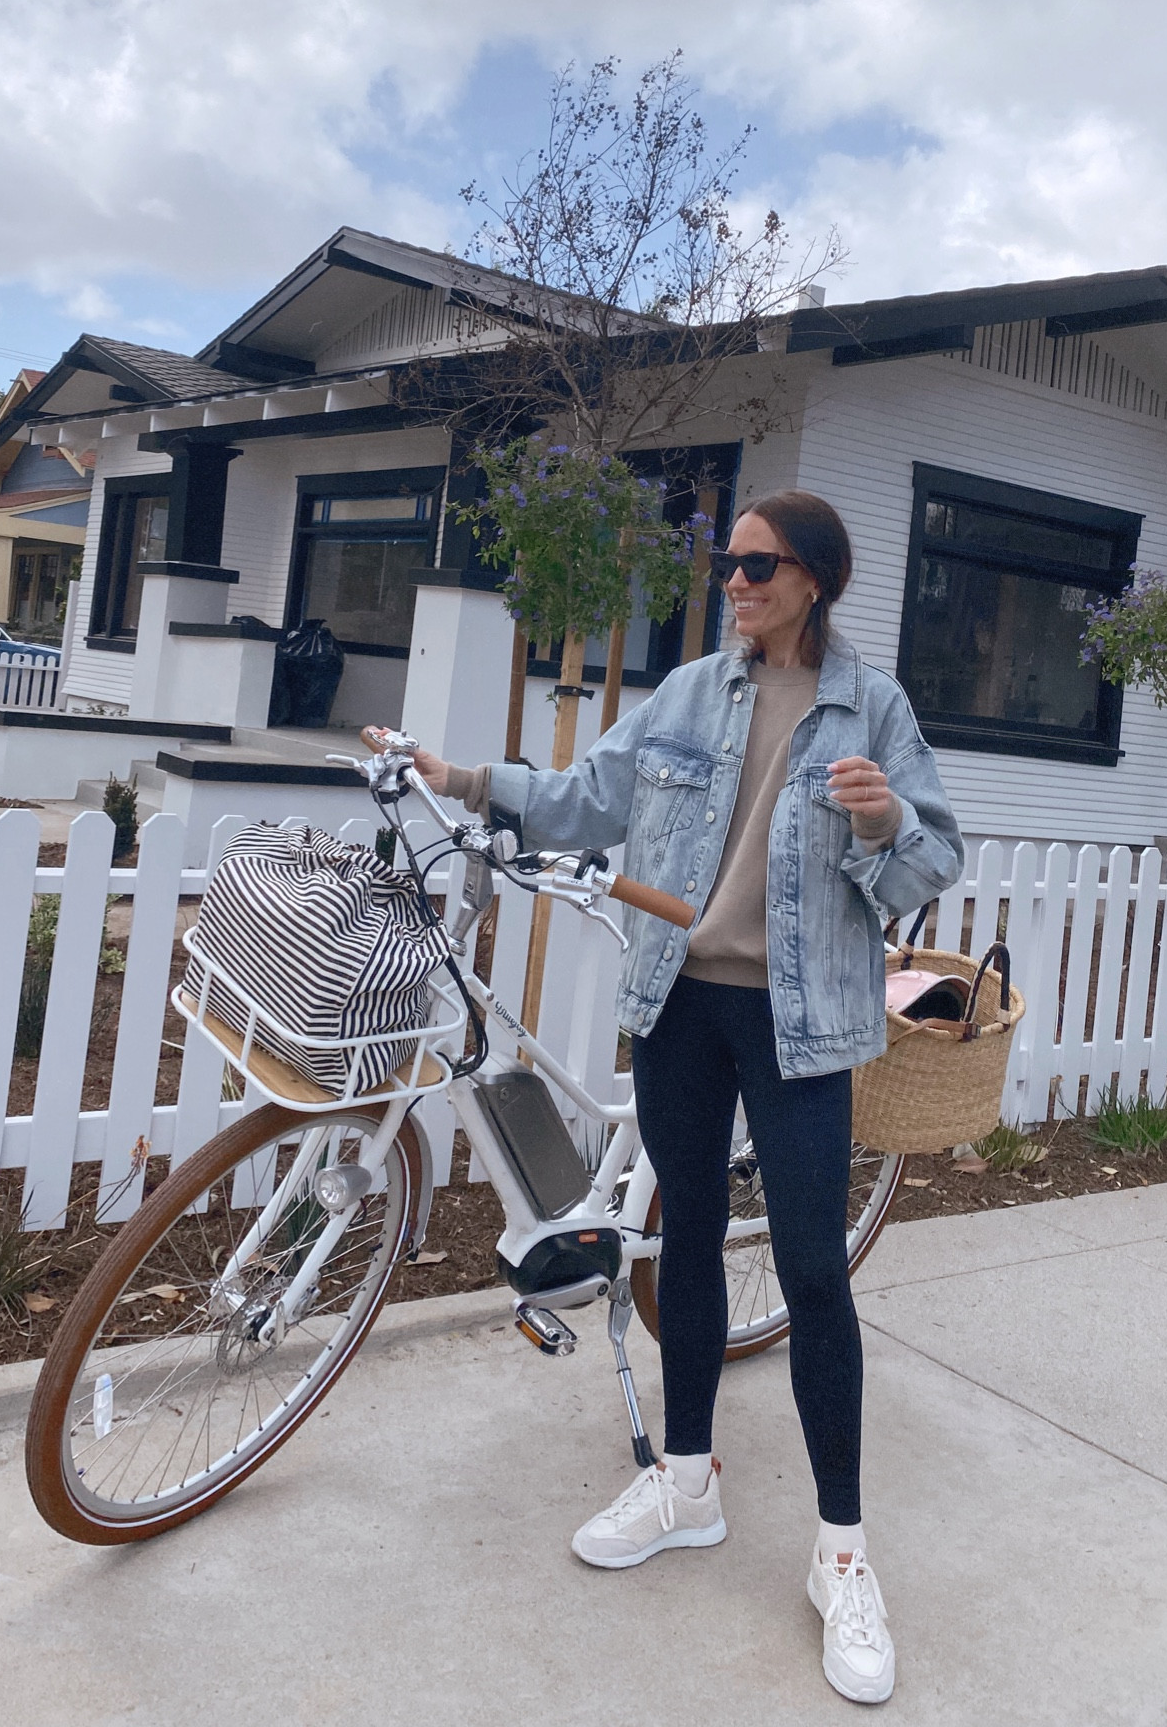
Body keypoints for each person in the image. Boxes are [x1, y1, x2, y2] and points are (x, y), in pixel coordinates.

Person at [400, 489, 962, 1706]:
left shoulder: (872, 706)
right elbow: (588, 794)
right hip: (679, 1003)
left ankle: (843, 1550)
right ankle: (688, 1479)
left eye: (757, 564)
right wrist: (468, 778)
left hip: (802, 1025)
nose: (734, 582)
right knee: (688, 1239)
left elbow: (934, 857)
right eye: (728, 562)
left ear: (813, 577)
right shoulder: (692, 692)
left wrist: (883, 820)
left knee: (813, 1270)